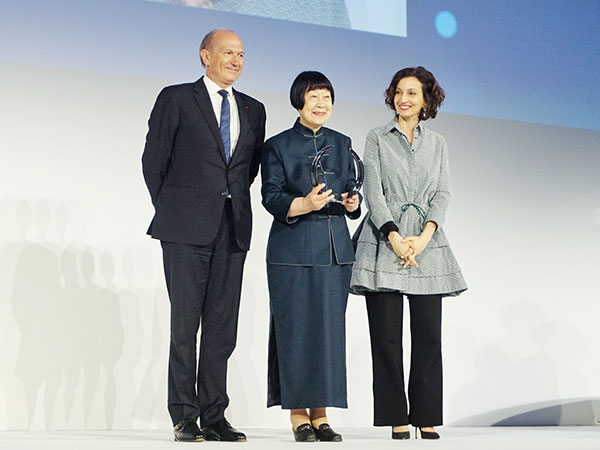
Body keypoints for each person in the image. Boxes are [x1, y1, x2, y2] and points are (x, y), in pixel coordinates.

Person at [142, 29, 266, 442]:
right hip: (184, 229)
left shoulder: (253, 109)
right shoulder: (176, 98)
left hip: (232, 228)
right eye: (228, 52)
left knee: (221, 330)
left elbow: (246, 170)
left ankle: (215, 415)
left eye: (241, 54)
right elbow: (154, 161)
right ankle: (184, 416)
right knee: (185, 327)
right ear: (205, 56)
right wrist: (176, 208)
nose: (236, 60)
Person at [350, 67, 467, 440]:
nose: (404, 99)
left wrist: (424, 236)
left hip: (426, 243)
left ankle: (425, 415)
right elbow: (373, 191)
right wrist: (395, 237)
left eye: (412, 93)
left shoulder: (438, 143)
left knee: (429, 336)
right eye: (399, 92)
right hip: (385, 239)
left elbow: (443, 193)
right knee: (386, 338)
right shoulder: (377, 137)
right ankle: (396, 417)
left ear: (426, 99)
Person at [261, 71, 361, 442]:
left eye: (327, 97)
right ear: (299, 101)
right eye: (314, 97)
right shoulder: (277, 145)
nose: (321, 104)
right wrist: (303, 204)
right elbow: (270, 195)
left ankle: (321, 415)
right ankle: (298, 415)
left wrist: (353, 203)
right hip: (292, 249)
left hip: (334, 251)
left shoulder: (342, 142)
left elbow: (350, 189)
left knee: (328, 334)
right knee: (295, 331)